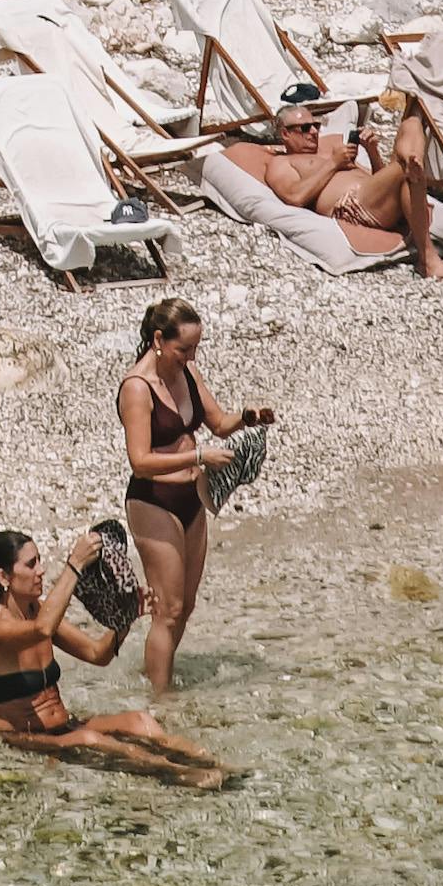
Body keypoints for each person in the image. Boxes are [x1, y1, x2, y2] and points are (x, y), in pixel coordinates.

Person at [0, 529, 226, 780]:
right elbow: (43, 629)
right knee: (92, 740)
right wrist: (75, 564)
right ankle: (181, 775)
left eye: (40, 560)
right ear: (4, 577)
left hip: (65, 725)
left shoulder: (37, 611)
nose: (41, 570)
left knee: (140, 721)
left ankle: (215, 764)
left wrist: (125, 618)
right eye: (31, 564)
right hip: (23, 737)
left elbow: (97, 654)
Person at [116, 295, 269, 690]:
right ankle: (161, 701)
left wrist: (248, 417)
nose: (190, 355)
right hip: (153, 501)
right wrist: (198, 454)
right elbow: (140, 460)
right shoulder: (137, 387)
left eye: (195, 347)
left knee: (185, 606)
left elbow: (217, 422)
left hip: (192, 498)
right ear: (158, 340)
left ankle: (157, 675)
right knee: (167, 610)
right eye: (183, 348)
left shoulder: (187, 373)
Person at [219, 95, 443, 280]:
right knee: (404, 167)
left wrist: (373, 152)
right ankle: (428, 257)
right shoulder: (281, 163)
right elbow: (295, 197)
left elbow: (378, 178)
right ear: (285, 134)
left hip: (377, 197)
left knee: (411, 122)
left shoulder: (330, 146)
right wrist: (333, 164)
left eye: (315, 125)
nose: (313, 132)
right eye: (304, 128)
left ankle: (412, 167)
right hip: (353, 205)